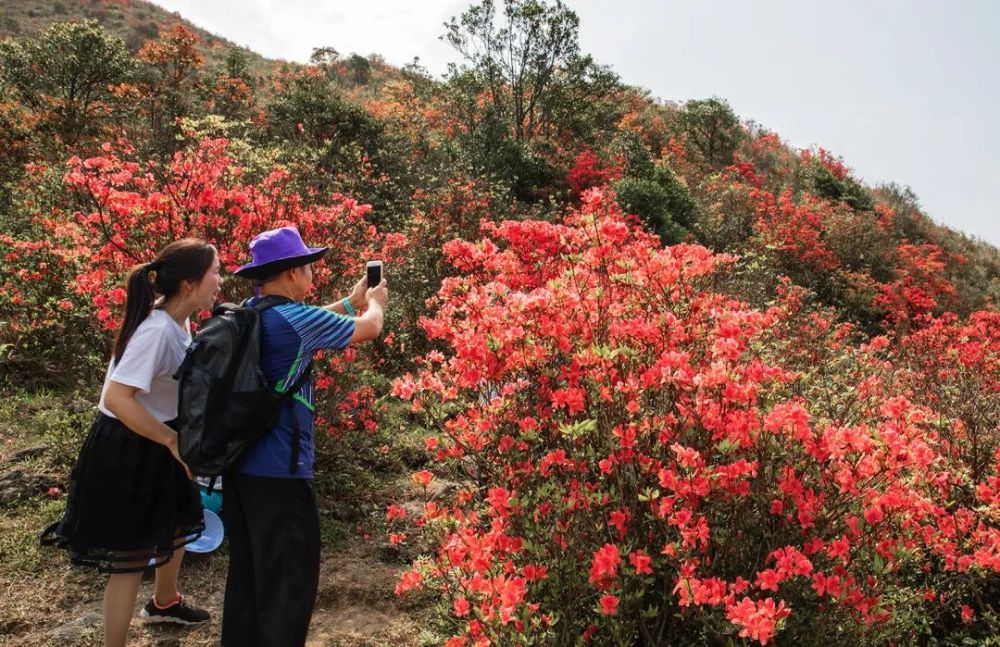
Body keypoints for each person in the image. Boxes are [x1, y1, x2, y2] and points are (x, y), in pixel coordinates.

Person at [41, 238, 221, 647]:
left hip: (158, 438)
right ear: (190, 283)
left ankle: (164, 603)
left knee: (177, 526)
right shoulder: (156, 331)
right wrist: (170, 439)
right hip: (128, 445)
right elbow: (117, 398)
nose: (220, 280)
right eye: (215, 271)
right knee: (130, 559)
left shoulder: (179, 318)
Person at [221, 226, 388, 647]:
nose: (313, 271)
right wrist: (373, 304)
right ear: (294, 272)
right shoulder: (295, 320)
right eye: (309, 265)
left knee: (249, 577)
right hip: (281, 472)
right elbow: (369, 329)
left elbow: (310, 320)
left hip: (239, 469)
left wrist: (349, 301)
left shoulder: (248, 313)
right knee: (288, 585)